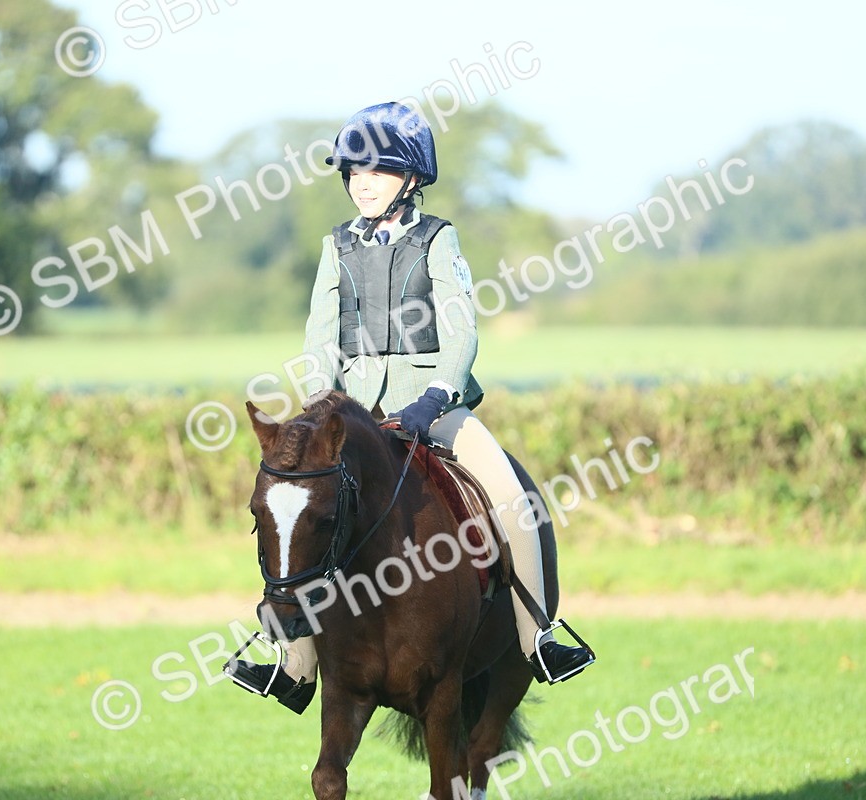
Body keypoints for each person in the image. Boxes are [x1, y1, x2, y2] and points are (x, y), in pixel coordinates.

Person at [227, 102, 594, 713]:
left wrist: (435, 396)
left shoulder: (438, 239)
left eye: (377, 172)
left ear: (411, 180)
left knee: (513, 499)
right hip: (352, 417)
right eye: (353, 173)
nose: (361, 184)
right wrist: (324, 404)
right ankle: (292, 665)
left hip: (432, 406)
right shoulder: (335, 246)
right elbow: (321, 338)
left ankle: (538, 640)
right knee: (298, 503)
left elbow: (462, 331)